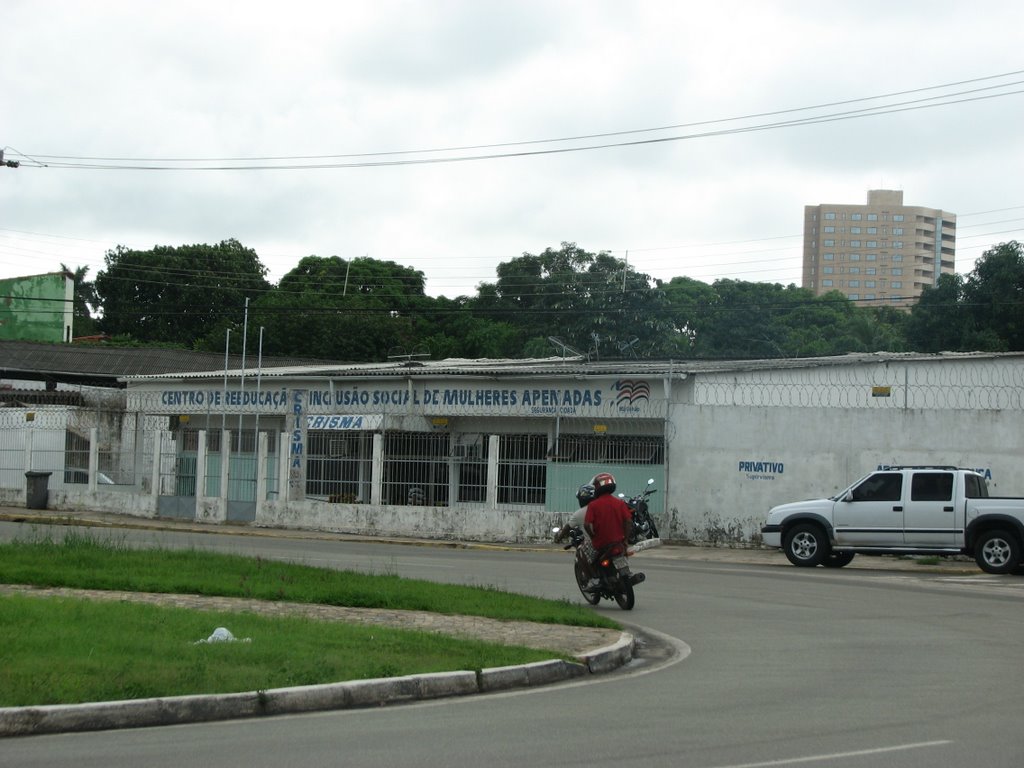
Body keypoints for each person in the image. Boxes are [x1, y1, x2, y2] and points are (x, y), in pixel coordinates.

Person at [583, 472, 645, 587]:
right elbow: (628, 521)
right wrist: (625, 539)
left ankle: (594, 579)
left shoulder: (593, 505)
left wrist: (593, 537)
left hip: (601, 544)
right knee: (623, 552)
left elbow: (587, 525)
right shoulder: (620, 503)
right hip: (618, 542)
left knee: (583, 551)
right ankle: (626, 572)